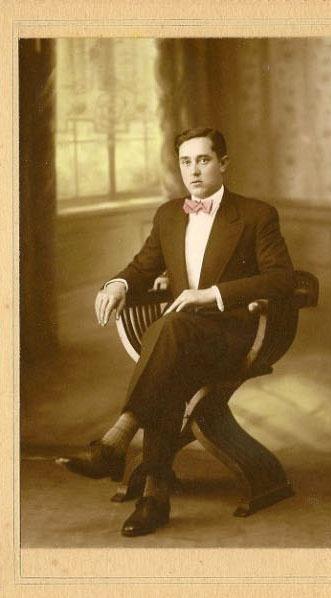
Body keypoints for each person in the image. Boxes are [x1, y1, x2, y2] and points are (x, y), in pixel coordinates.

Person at [61, 127, 295, 537]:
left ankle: (118, 442)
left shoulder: (257, 214)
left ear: (223, 163)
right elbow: (142, 267)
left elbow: (282, 279)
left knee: (168, 336)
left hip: (231, 336)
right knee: (171, 347)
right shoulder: (169, 215)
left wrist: (211, 294)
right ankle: (153, 498)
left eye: (203, 160)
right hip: (180, 338)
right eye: (186, 162)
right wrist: (117, 284)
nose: (194, 170)